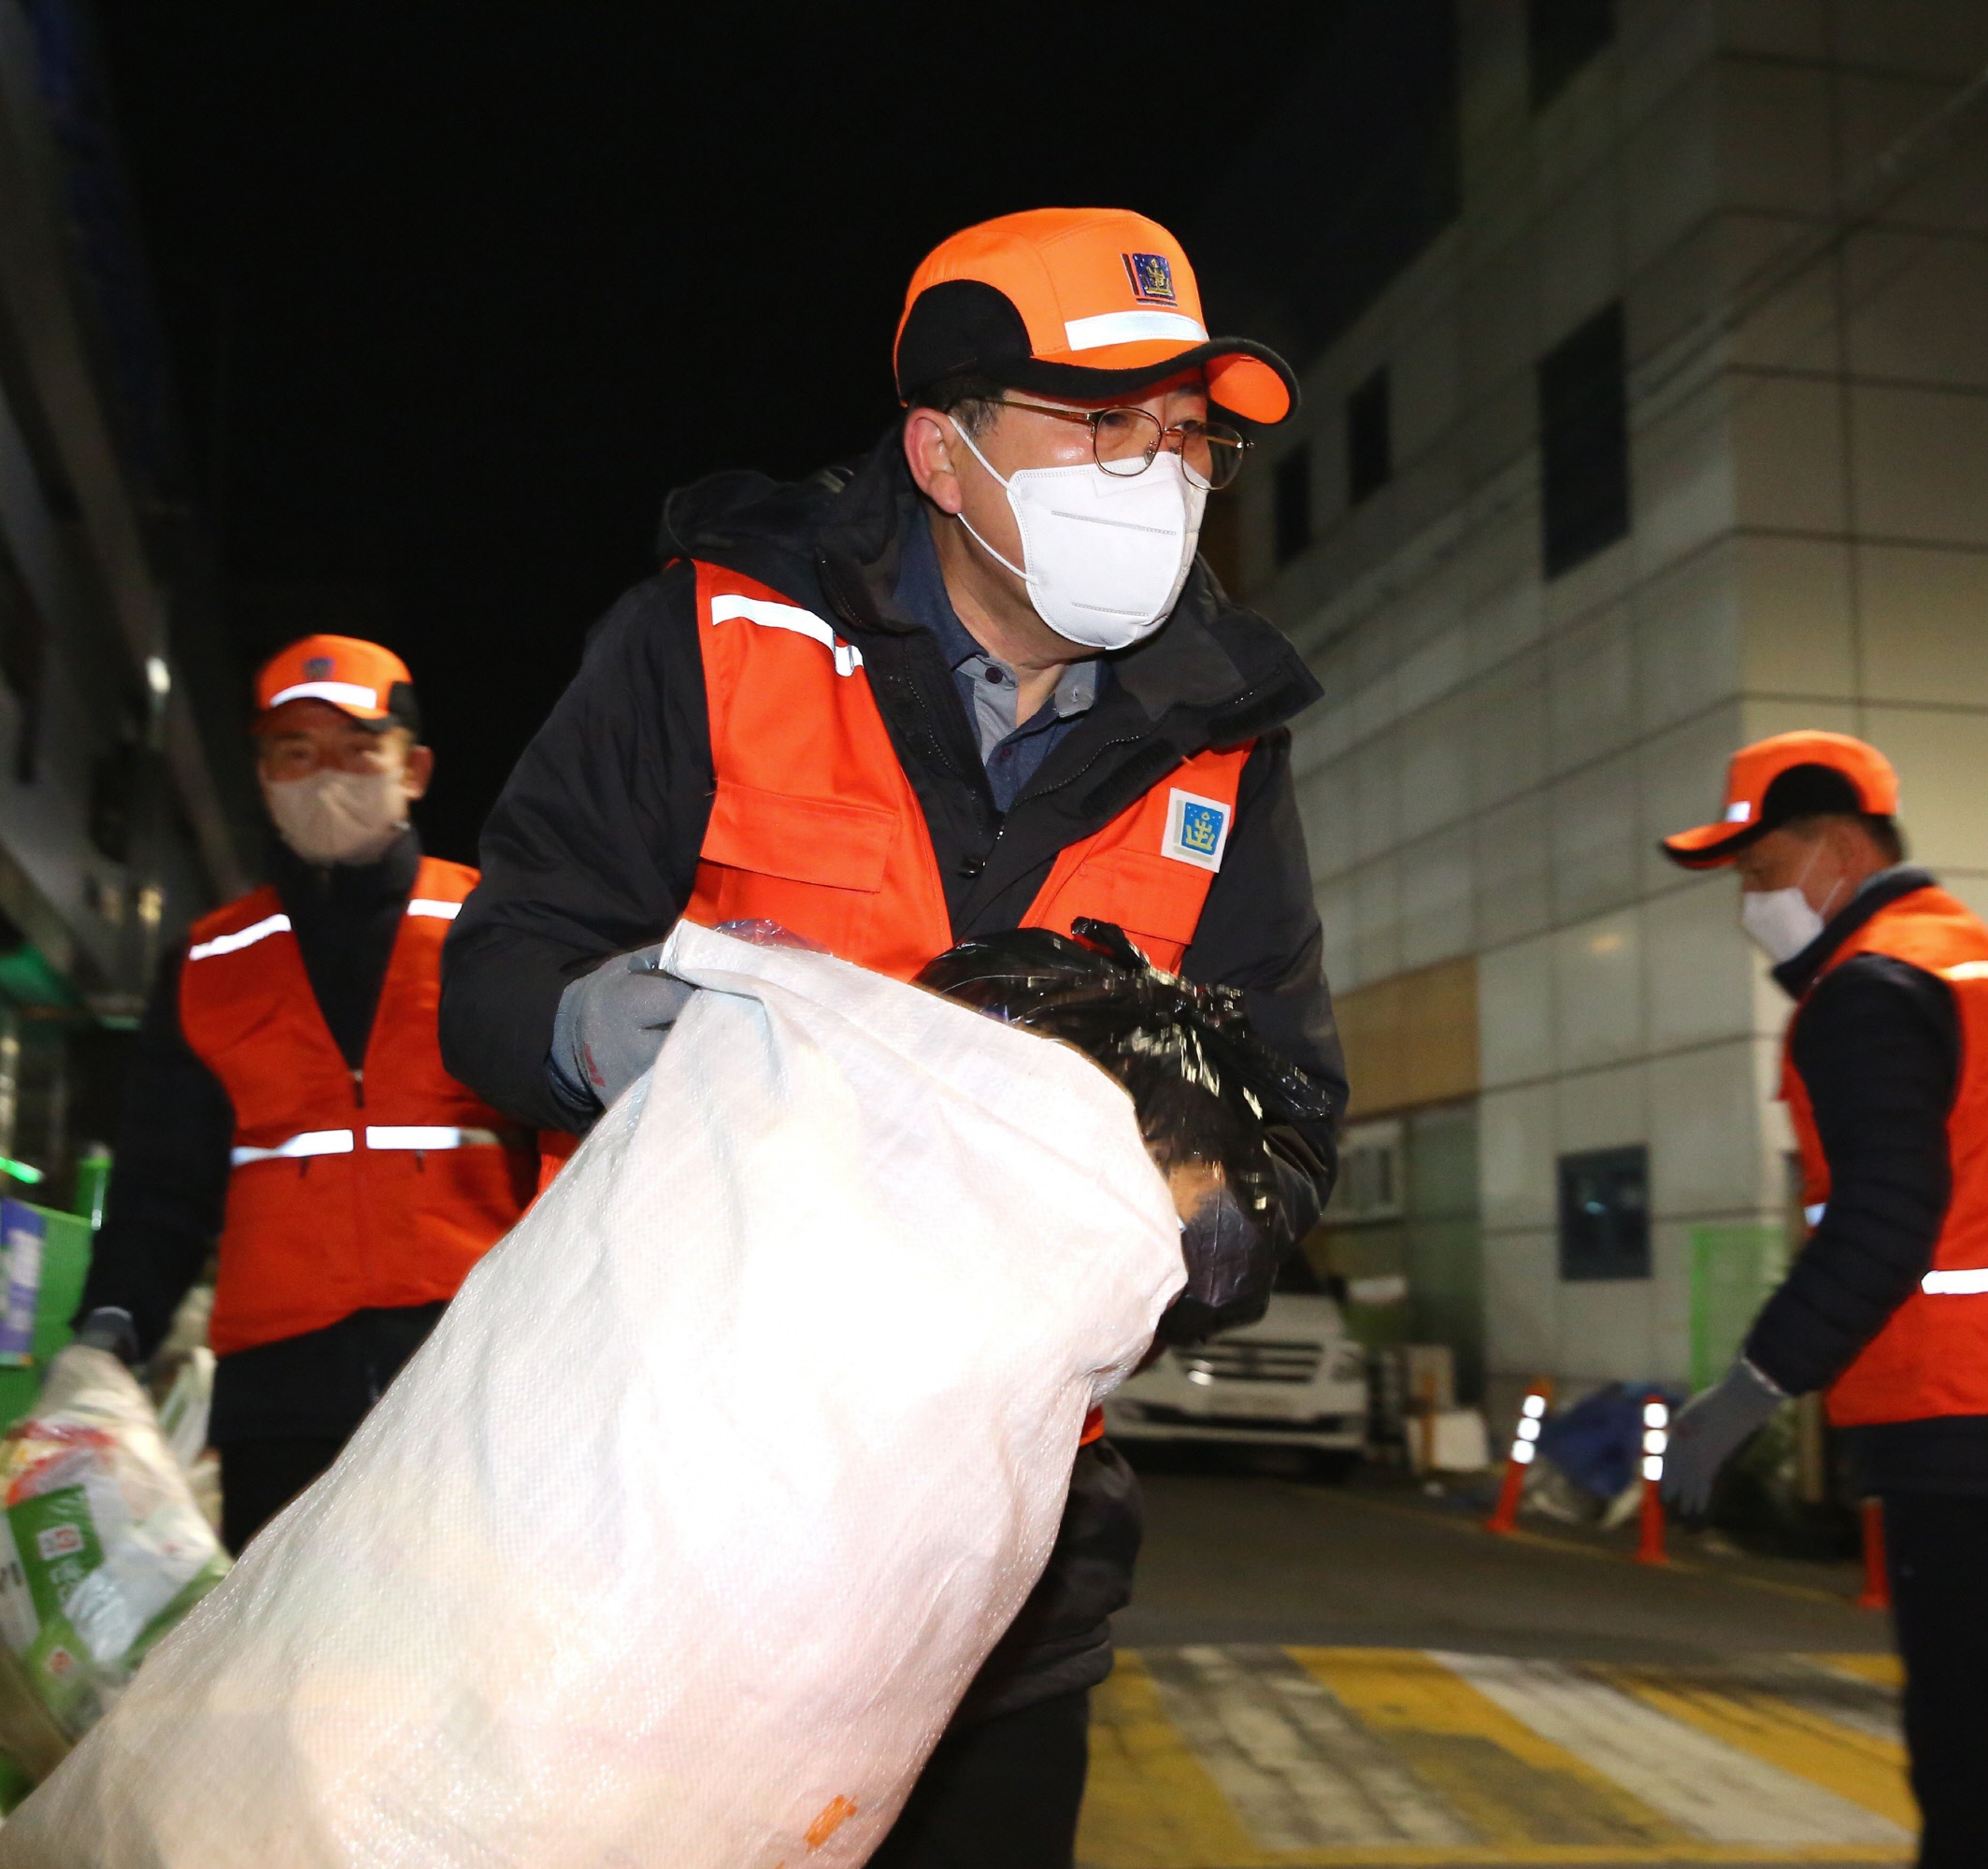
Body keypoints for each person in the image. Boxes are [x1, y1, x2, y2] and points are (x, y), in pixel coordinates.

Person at [440, 207, 1346, 1868]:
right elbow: (502, 962)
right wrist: (587, 1027)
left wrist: (1191, 1225)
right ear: (942, 451)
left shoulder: (1225, 743)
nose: (1156, 468)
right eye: (1098, 420)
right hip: (669, 1501)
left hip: (1002, 1551)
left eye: (1185, 430)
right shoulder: (713, 637)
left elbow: (1285, 1110)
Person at [1657, 730, 1988, 1869]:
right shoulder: (1985, 967)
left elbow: (1884, 1216)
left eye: (1763, 872)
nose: (1753, 903)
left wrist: (1751, 1385)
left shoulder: (1870, 988)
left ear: (1838, 847)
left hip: (1974, 1428)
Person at [77, 636, 555, 1552]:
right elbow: (159, 1185)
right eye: (294, 752)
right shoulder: (210, 961)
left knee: (466, 1649)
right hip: (279, 1400)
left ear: (412, 768)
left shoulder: (491, 930)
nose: (322, 775)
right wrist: (109, 1330)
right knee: (288, 1679)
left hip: (469, 1370)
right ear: (262, 776)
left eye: (354, 747)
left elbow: (565, 1142)